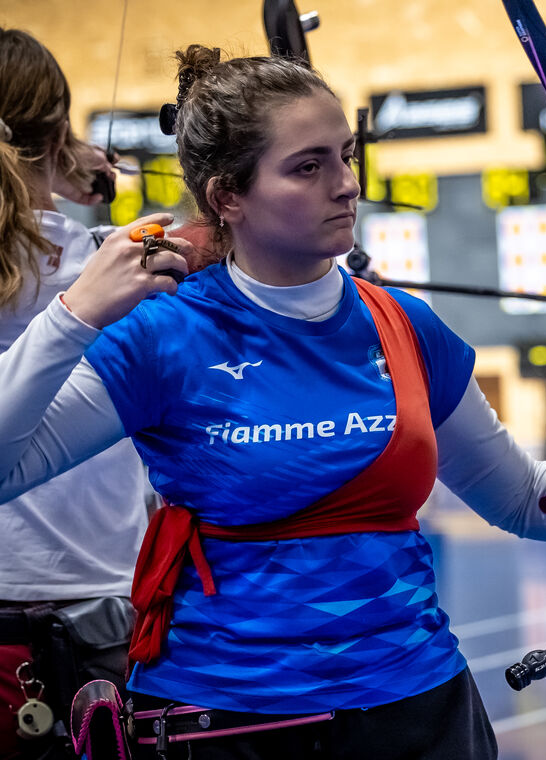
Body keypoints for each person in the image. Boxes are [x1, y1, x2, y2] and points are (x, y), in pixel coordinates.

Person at [0, 44, 546, 760]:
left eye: (343, 156)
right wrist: (73, 319)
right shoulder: (163, 336)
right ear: (226, 196)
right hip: (233, 720)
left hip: (420, 706)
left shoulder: (402, 323)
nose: (346, 184)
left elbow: (520, 494)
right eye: (307, 167)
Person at [0, 27, 192, 760]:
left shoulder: (99, 260)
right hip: (108, 638)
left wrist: (51, 167)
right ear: (55, 134)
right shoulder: (118, 266)